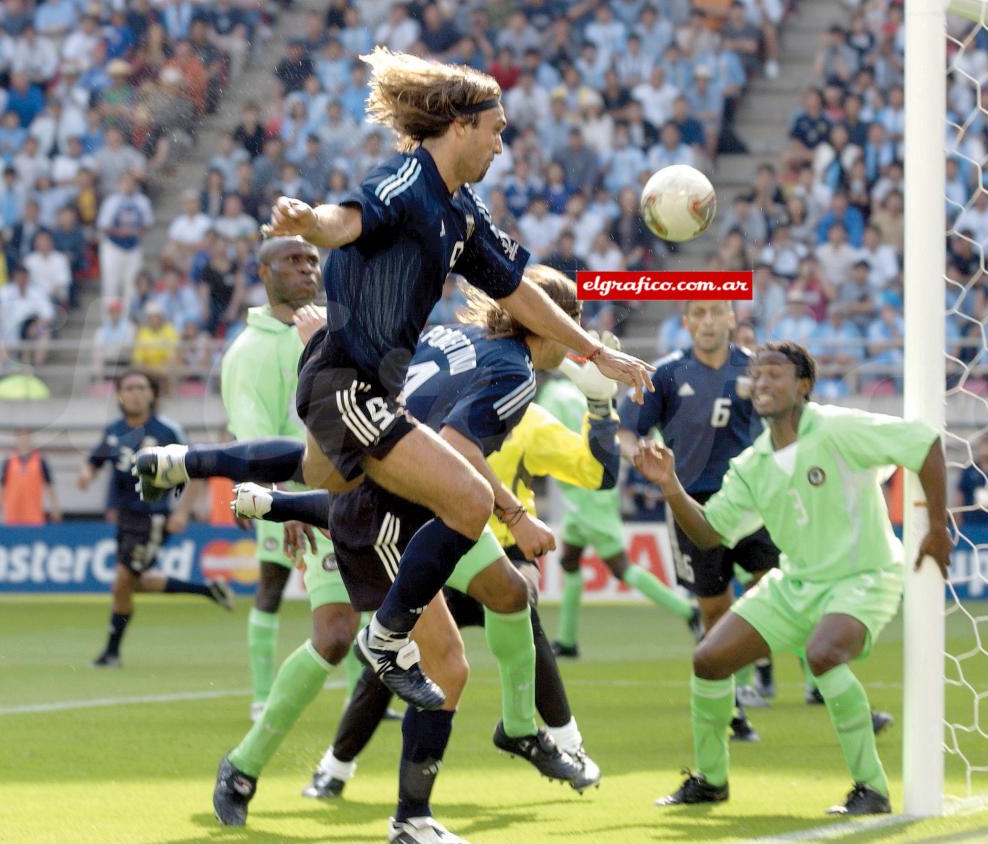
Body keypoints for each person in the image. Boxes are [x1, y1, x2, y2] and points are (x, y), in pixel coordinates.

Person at [134, 47, 654, 712]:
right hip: (348, 382)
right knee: (467, 501)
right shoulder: (404, 183)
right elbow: (344, 221)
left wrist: (592, 353)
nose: (503, 142)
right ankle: (387, 637)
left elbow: (517, 288)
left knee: (322, 476)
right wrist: (308, 222)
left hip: (357, 387)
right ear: (460, 128)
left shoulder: (462, 212)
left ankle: (182, 462)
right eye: (495, 129)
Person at [207, 265, 589, 840]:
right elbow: (451, 447)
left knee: (512, 591)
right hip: (392, 513)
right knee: (431, 663)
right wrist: (513, 514)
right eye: (570, 321)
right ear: (544, 320)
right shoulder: (511, 370)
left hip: (428, 500)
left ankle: (517, 729)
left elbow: (426, 437)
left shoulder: (448, 335)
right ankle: (384, 810)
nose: (576, 339)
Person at [632, 341, 951, 815]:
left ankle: (872, 789)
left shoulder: (839, 427)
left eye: (775, 373)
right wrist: (670, 485)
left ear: (803, 385)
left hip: (862, 576)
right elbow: (707, 533)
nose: (762, 381)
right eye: (756, 375)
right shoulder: (753, 464)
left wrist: (939, 526)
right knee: (709, 660)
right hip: (796, 585)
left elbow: (924, 443)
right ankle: (711, 780)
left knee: (823, 655)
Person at [303, 343, 624, 800]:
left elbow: (597, 474)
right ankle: (336, 766)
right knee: (401, 655)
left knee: (519, 602)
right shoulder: (435, 406)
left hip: (505, 552)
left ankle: (565, 745)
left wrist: (600, 406)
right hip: (445, 549)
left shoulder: (528, 421)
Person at [217, 234, 363, 722]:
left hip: (340, 491)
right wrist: (278, 504)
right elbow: (251, 437)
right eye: (292, 260)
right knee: (275, 587)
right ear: (263, 273)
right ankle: (264, 698)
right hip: (287, 496)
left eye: (312, 260)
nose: (306, 269)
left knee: (360, 593)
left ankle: (360, 699)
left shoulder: (331, 331)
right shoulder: (251, 351)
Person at [619, 300, 776, 739]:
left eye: (716, 313)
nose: (708, 322)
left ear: (732, 319)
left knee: (779, 590)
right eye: (699, 314)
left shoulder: (758, 368)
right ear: (686, 323)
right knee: (714, 610)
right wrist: (639, 454)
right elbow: (627, 429)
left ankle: (815, 687)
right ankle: (730, 711)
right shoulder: (666, 373)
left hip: (753, 496)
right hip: (691, 504)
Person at [536, 358, 698, 662]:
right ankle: (568, 640)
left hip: (582, 489)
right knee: (569, 560)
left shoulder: (551, 396)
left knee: (620, 566)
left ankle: (689, 611)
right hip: (592, 484)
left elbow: (540, 433)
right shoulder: (582, 392)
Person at [78, 370, 234, 667]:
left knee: (122, 581)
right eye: (129, 388)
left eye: (141, 387)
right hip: (126, 517)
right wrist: (86, 475)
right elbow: (95, 462)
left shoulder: (167, 430)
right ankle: (207, 590)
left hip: (154, 517)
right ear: (120, 395)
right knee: (132, 582)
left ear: (152, 394)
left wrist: (182, 511)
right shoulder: (113, 431)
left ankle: (111, 653)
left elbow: (197, 470)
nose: (136, 393)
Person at [0, 429, 61, 525]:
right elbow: (2, 485)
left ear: (31, 439)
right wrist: (0, 508)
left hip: (34, 515)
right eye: (20, 438)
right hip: (13, 515)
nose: (23, 441)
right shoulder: (9, 460)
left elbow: (49, 484)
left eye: (26, 437)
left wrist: (54, 507)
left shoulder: (40, 460)